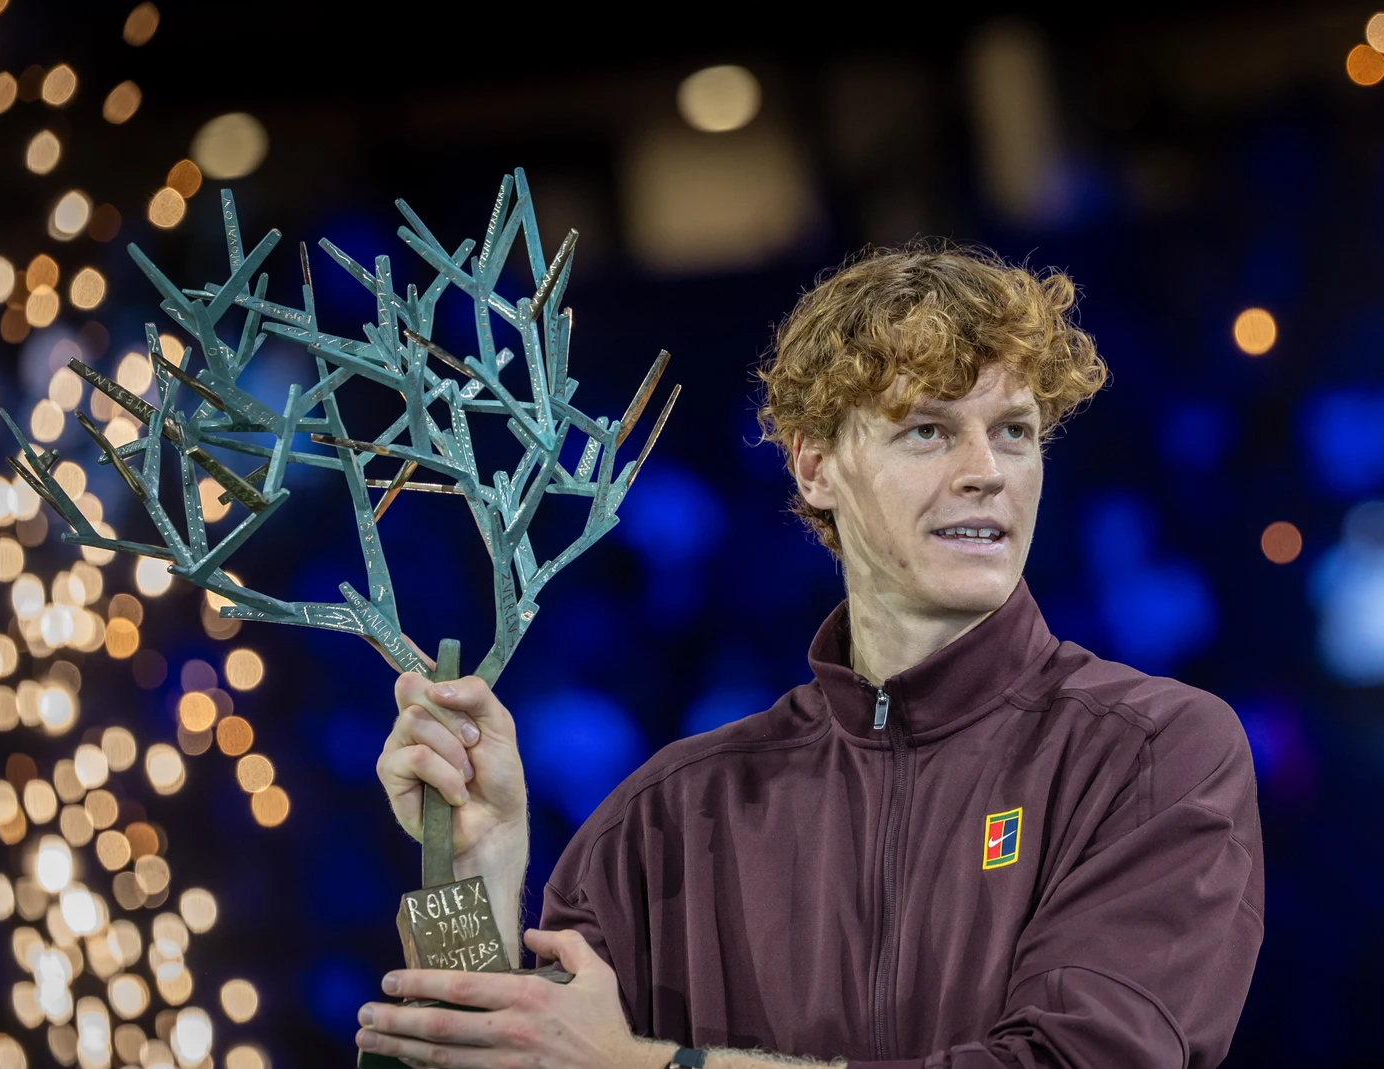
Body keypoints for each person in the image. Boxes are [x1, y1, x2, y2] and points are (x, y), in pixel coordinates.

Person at [358, 243, 1265, 1069]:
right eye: (928, 429)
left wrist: (660, 1067)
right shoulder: (670, 815)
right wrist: (475, 865)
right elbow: (495, 1054)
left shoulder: (1154, 752)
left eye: (1015, 431)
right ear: (815, 465)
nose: (987, 468)